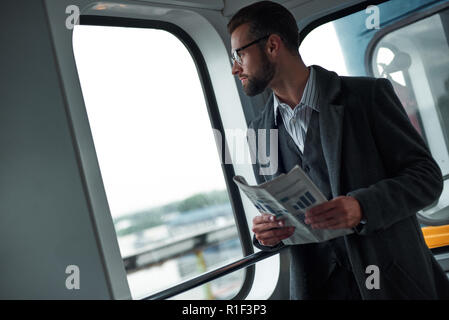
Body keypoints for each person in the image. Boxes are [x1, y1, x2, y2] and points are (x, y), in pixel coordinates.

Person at [228, 1, 449, 299]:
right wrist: (268, 236)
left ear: (272, 45)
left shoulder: (368, 96)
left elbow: (428, 179)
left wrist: (362, 207)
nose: (234, 68)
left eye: (239, 54)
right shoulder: (257, 131)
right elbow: (277, 211)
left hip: (394, 283)